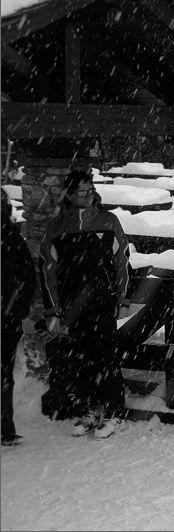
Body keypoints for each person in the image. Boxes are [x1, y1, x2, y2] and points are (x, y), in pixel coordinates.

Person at [40, 170, 131, 440]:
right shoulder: (56, 228)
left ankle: (114, 412)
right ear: (69, 194)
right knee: (79, 360)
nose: (89, 195)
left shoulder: (108, 220)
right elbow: (48, 271)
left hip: (103, 303)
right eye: (82, 191)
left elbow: (122, 262)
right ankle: (89, 410)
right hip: (72, 308)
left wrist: (123, 299)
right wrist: (52, 311)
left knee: (107, 358)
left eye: (91, 189)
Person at [2, 190, 37, 447]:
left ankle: (5, 428)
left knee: (4, 373)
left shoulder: (12, 238)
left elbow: (27, 277)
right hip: (8, 314)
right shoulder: (12, 237)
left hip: (7, 316)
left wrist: (19, 308)